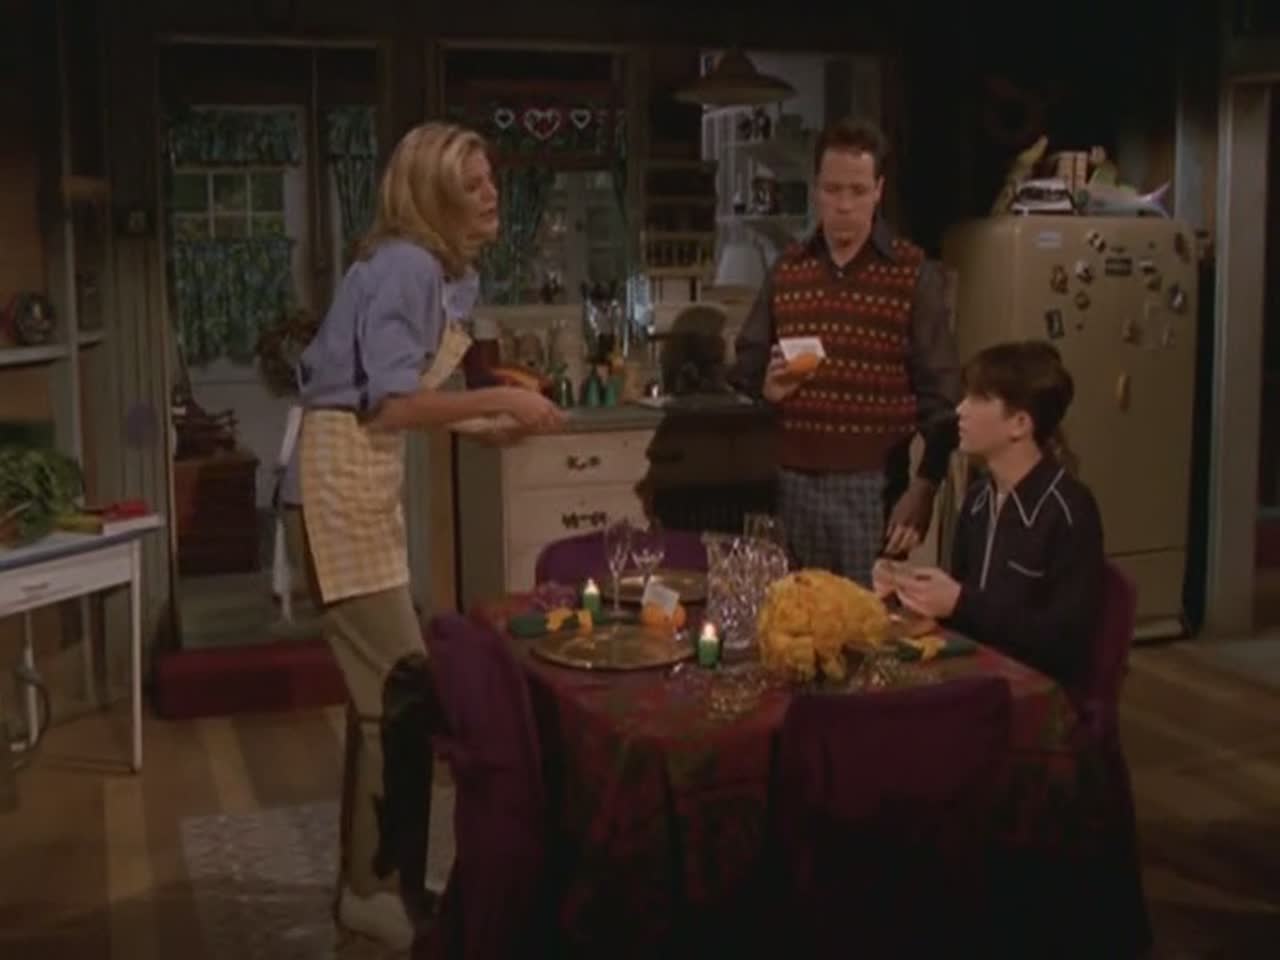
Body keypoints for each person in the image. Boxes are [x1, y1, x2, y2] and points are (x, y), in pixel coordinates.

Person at [290, 121, 564, 950]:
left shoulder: (436, 274)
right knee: (406, 690)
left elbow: (397, 400)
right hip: (337, 487)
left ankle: (381, 881)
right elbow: (388, 405)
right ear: (433, 197)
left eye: (490, 179)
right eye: (472, 185)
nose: (492, 195)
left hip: (363, 481)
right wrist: (500, 401)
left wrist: (482, 429)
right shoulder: (406, 266)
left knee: (389, 696)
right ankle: (375, 888)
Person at [729, 116, 959, 587]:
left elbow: (942, 397)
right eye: (833, 190)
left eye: (857, 191)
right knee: (799, 613)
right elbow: (747, 364)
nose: (845, 205)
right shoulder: (789, 269)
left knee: (864, 618)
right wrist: (765, 388)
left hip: (875, 486)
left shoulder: (911, 273)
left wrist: (925, 487)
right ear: (816, 189)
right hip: (793, 481)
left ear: (878, 191)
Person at [879, 340, 1104, 689]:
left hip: (1038, 689)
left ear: (1019, 423)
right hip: (976, 674)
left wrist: (959, 602)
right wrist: (905, 592)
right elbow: (965, 611)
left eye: (978, 399)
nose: (960, 410)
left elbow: (1064, 642)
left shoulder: (1069, 509)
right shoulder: (978, 499)